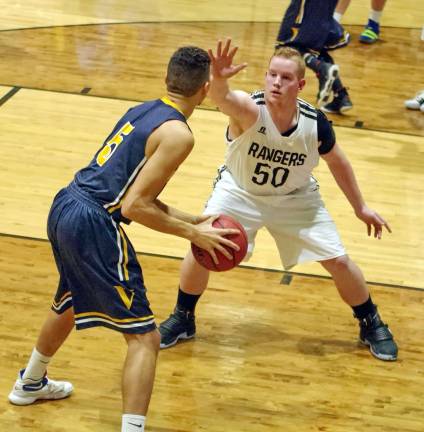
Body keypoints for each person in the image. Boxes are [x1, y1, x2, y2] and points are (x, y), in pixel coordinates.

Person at [8, 46, 241, 432]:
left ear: (168, 79)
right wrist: (193, 233)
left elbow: (133, 190)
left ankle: (30, 382)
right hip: (94, 221)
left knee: (69, 298)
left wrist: (191, 218)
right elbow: (135, 206)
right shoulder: (179, 134)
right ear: (204, 89)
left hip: (66, 204)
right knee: (145, 338)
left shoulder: (144, 110)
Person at [159, 38, 398, 363]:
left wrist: (361, 208)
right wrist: (219, 79)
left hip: (296, 198)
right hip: (239, 192)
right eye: (271, 74)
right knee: (202, 246)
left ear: (300, 84)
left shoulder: (315, 125)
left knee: (339, 261)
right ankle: (183, 316)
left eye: (284, 78)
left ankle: (371, 321)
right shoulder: (249, 109)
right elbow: (222, 97)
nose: (275, 82)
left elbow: (338, 162)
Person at [276, 0, 353, 114]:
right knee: (316, 49)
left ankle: (322, 69)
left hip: (309, 7)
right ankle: (341, 96)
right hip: (325, 10)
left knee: (285, 46)